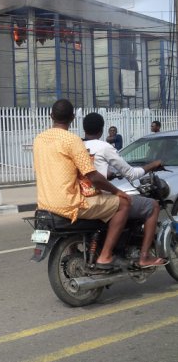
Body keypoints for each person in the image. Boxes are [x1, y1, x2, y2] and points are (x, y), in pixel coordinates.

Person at [33, 99, 131, 271]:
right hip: (69, 205)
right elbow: (92, 176)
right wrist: (117, 192)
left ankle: (80, 248)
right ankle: (106, 255)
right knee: (123, 204)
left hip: (44, 205)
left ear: (51, 116)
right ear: (72, 117)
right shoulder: (72, 140)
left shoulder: (39, 140)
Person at [83, 112, 167, 268]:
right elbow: (131, 173)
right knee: (152, 206)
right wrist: (152, 165)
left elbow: (91, 172)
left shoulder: (78, 146)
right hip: (102, 198)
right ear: (102, 130)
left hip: (85, 197)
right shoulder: (104, 147)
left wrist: (109, 174)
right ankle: (144, 257)